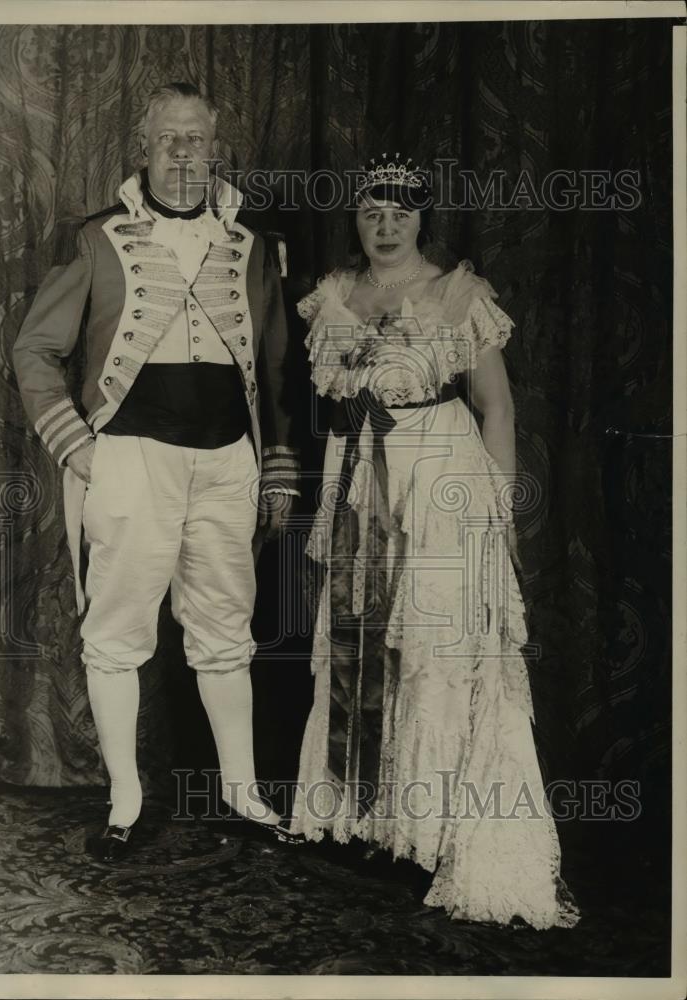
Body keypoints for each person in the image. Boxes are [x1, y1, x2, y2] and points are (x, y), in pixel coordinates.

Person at [290, 155, 580, 929]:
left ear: (422, 218)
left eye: (401, 211)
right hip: (359, 478)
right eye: (372, 210)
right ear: (357, 217)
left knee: (435, 645)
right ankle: (373, 821)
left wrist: (498, 510)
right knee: (363, 643)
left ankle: (440, 829)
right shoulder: (332, 298)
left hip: (440, 481)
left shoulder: (458, 296)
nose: (386, 225)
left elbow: (497, 410)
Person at [13, 82, 301, 860]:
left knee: (224, 630)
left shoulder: (251, 246)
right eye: (168, 139)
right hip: (131, 458)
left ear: (216, 149)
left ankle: (242, 793)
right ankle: (125, 799)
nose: (183, 153)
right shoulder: (98, 239)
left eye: (196, 139)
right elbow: (35, 349)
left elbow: (277, 369)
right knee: (116, 634)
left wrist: (276, 469)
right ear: (143, 149)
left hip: (225, 459)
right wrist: (77, 445)